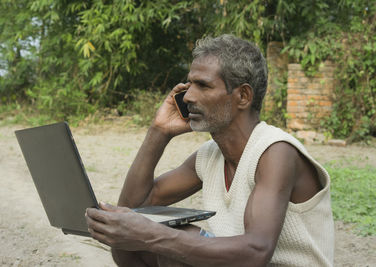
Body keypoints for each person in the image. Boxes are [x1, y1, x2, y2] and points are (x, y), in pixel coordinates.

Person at [85, 34, 334, 266]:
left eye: (203, 86)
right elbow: (134, 206)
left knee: (156, 237)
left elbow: (256, 251)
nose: (188, 96)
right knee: (127, 244)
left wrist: (151, 234)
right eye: (189, 84)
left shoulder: (275, 151)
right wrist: (158, 132)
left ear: (243, 96)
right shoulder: (210, 155)